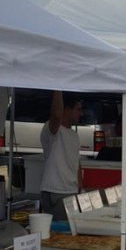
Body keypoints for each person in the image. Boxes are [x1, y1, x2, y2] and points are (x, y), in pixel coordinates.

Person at [40, 91, 82, 221]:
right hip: (56, 192)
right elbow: (56, 115)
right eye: (78, 109)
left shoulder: (74, 135)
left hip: (70, 191)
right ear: (67, 110)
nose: (81, 114)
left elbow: (76, 163)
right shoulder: (52, 129)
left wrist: (80, 187)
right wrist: (58, 86)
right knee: (61, 231)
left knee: (69, 233)